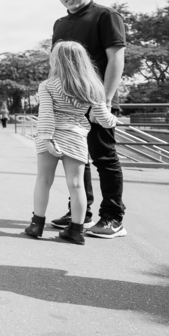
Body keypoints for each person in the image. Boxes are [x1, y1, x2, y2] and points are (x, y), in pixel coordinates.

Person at [48, 0, 128, 239]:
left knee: (104, 158)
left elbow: (116, 59)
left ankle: (113, 218)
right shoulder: (60, 24)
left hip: (97, 101)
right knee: (75, 157)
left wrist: (103, 101)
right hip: (68, 104)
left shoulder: (105, 15)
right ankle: (80, 213)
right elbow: (57, 66)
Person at [24, 42, 119, 244]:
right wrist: (113, 119)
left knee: (43, 181)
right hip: (76, 137)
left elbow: (46, 115)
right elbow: (104, 118)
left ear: (57, 60)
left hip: (50, 137)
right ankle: (76, 231)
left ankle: (36, 225)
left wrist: (48, 139)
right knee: (77, 185)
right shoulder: (93, 86)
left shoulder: (48, 85)